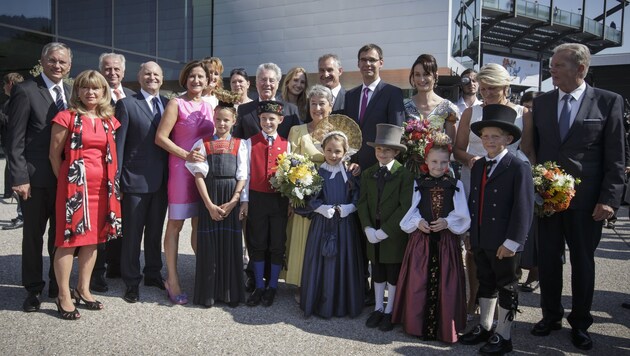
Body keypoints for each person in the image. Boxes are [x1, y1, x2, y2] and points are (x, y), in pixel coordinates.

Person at [528, 43, 625, 351]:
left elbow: (616, 157)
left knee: (583, 262)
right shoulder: (541, 103)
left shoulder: (609, 102)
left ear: (580, 69)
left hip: (587, 203)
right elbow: (536, 149)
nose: (551, 70)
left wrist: (609, 199)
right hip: (548, 200)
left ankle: (581, 323)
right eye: (552, 65)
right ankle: (550, 315)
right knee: (549, 259)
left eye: (558, 65)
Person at [453, 63, 534, 321]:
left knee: (504, 243)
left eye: (493, 88)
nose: (487, 93)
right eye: (484, 88)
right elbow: (458, 149)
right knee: (474, 245)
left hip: (509, 183)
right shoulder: (470, 112)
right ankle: (474, 297)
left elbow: (529, 152)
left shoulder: (523, 113)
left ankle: (501, 310)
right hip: (474, 180)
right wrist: (470, 161)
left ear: (506, 87)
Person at [460, 104, 534, 355]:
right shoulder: (478, 165)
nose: (489, 140)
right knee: (485, 281)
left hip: (504, 241)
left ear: (508, 139)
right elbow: (474, 201)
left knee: (507, 284)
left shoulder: (518, 166)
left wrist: (514, 241)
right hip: (481, 237)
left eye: (495, 136)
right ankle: (485, 325)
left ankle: (504, 334)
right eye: (485, 136)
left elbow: (524, 208)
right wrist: (471, 233)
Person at [49, 70, 123, 319]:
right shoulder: (66, 117)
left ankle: (83, 288)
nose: (91, 93)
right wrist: (70, 185)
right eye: (85, 88)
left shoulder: (109, 120)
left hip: (103, 189)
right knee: (69, 241)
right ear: (77, 91)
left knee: (93, 240)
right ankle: (63, 295)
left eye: (96, 88)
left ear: (104, 92)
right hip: (73, 190)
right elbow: (54, 156)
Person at [8, 42, 72, 312]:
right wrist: (19, 177)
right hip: (34, 180)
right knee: (34, 235)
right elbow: (14, 140)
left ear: (69, 66)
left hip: (66, 179)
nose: (58, 66)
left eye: (63, 62)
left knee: (60, 236)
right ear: (42, 61)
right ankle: (33, 288)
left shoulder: (71, 92)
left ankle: (58, 287)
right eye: (53, 61)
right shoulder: (25, 90)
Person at [393, 133, 470, 343]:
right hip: (422, 241)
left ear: (449, 162)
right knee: (419, 281)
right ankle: (417, 324)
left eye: (444, 162)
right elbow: (410, 210)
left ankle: (444, 326)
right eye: (434, 161)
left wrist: (447, 222)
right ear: (426, 161)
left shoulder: (455, 185)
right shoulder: (419, 183)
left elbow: (463, 214)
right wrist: (418, 222)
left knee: (446, 283)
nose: (439, 166)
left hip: (445, 242)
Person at [155, 60, 215, 305]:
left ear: (208, 80)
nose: (196, 81)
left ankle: (202, 276)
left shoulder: (211, 107)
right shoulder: (175, 103)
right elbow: (160, 138)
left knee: (200, 225)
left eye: (201, 77)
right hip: (181, 171)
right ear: (185, 79)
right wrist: (186, 155)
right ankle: (173, 278)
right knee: (176, 225)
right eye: (192, 77)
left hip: (203, 172)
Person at [114, 61, 169, 303]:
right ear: (139, 77)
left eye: (156, 74)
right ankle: (131, 281)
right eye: (147, 73)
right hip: (134, 181)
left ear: (162, 78)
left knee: (155, 231)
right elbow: (119, 146)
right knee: (132, 234)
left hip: (162, 181)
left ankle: (153, 273)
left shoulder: (168, 104)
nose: (152, 77)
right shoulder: (126, 105)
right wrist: (117, 183)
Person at [185, 101, 247, 308]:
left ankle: (231, 294)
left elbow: (243, 175)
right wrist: (209, 205)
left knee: (230, 245)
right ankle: (208, 294)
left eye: (226, 120)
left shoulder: (240, 144)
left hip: (231, 196)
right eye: (218, 119)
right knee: (209, 246)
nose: (222, 123)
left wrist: (234, 201)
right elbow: (198, 175)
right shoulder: (202, 143)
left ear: (234, 121)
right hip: (209, 195)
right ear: (213, 119)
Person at [300, 130, 364, 318]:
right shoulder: (316, 173)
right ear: (323, 150)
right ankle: (320, 302)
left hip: (345, 225)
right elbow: (309, 197)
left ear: (345, 152)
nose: (333, 155)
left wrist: (350, 208)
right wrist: (319, 208)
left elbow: (358, 196)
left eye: (337, 151)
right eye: (329, 150)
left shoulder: (351, 173)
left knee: (344, 259)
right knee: (322, 261)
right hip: (322, 224)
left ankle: (343, 304)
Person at [358, 124, 414, 332]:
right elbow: (362, 202)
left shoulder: (405, 175)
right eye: (379, 149)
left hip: (393, 233)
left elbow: (405, 207)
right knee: (378, 270)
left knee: (393, 272)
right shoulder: (368, 173)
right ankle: (379, 308)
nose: (382, 153)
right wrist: (367, 228)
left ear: (397, 152)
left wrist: (385, 231)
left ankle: (390, 310)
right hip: (373, 231)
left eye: (388, 150)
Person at [91, 52, 136, 293]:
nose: (112, 73)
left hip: (127, 170)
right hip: (99, 167)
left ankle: (116, 265)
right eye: (107, 69)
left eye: (117, 69)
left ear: (124, 72)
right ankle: (97, 272)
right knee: (100, 221)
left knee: (123, 218)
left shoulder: (131, 97)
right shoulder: (93, 97)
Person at [241, 101, 290, 307]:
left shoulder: (287, 144)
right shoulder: (249, 142)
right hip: (257, 198)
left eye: (272, 119)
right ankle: (259, 286)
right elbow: (245, 174)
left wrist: (291, 201)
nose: (268, 122)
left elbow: (290, 176)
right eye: (264, 119)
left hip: (278, 201)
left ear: (280, 120)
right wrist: (244, 200)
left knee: (277, 244)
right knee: (257, 243)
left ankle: (272, 287)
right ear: (259, 120)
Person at [284, 85, 330, 294]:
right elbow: (288, 164)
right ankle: (303, 284)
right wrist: (293, 196)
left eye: (322, 103)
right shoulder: (298, 131)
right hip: (303, 195)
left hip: (329, 195)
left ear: (330, 106)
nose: (317, 108)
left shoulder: (338, 133)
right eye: (313, 103)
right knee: (303, 238)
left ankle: (322, 282)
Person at [343, 44, 405, 170]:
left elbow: (396, 133)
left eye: (372, 60)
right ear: (358, 64)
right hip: (354, 168)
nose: (367, 63)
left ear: (381, 63)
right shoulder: (350, 95)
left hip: (380, 168)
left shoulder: (392, 93)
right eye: (363, 60)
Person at [233, 62, 301, 140]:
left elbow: (297, 142)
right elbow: (237, 140)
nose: (267, 84)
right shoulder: (244, 110)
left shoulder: (291, 111)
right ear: (256, 82)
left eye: (271, 80)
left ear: (277, 84)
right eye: (263, 79)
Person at [518, 90, 543, 294]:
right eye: (527, 106)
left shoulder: (546, 125)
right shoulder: (522, 123)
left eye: (533, 107)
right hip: (524, 174)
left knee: (536, 233)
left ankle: (535, 274)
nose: (530, 110)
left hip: (544, 179)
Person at [404, 54, 459, 143]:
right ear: (413, 77)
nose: (422, 79)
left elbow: (451, 145)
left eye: (426, 74)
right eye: (417, 74)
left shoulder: (448, 108)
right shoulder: (403, 106)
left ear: (435, 75)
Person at [1, 72, 24, 230]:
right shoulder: (11, 101)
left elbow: (15, 124)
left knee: (18, 183)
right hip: (10, 148)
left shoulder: (18, 101)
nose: (3, 88)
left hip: (16, 150)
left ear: (10, 83)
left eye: (4, 84)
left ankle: (22, 215)